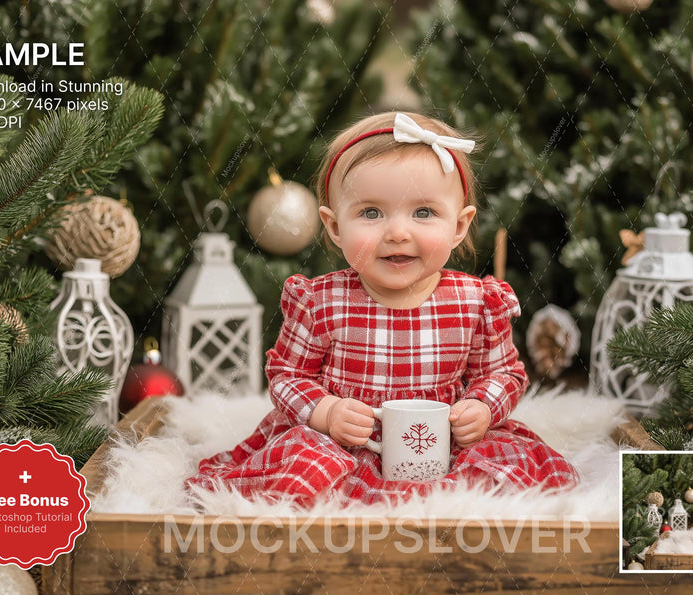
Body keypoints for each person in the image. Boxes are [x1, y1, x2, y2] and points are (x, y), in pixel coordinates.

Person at [186, 112, 579, 505]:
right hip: (342, 443)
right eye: (371, 212)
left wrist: (482, 407)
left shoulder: (475, 302)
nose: (397, 233)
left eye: (423, 212)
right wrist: (326, 411)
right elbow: (287, 375)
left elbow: (502, 372)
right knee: (301, 467)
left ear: (459, 226)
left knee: (503, 466)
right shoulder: (322, 301)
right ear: (335, 227)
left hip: (442, 442)